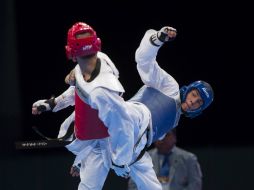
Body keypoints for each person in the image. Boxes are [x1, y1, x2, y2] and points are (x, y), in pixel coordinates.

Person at [32, 23, 214, 190]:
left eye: (198, 103)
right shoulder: (170, 88)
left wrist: (81, 161)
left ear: (199, 110)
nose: (193, 102)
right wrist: (157, 39)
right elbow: (144, 61)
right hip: (133, 120)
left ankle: (92, 148)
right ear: (189, 90)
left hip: (134, 150)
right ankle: (65, 103)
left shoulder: (175, 119)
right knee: (90, 182)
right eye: (194, 95)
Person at [128, 129, 203, 190]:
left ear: (174, 138)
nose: (161, 139)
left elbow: (195, 185)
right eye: (159, 135)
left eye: (166, 135)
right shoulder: (143, 159)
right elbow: (133, 185)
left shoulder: (189, 159)